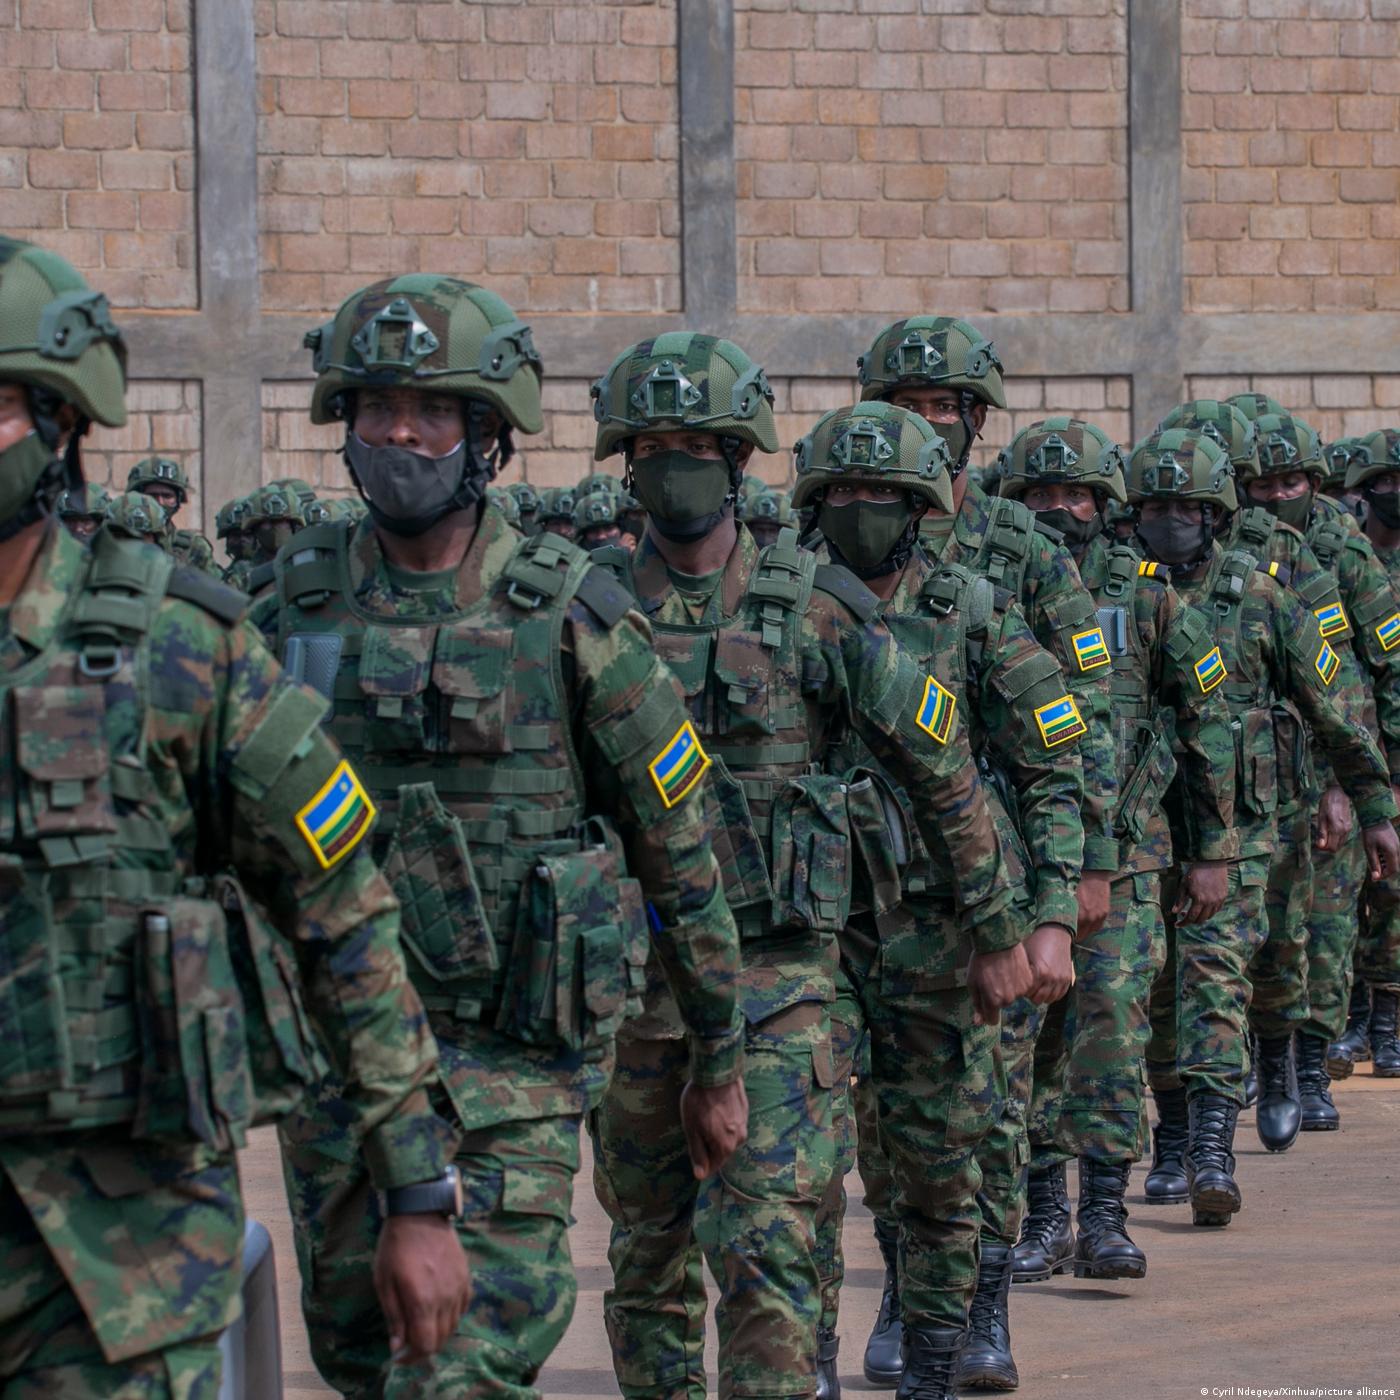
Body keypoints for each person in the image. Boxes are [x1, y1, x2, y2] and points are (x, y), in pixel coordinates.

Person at [255, 276, 748, 1399]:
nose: (398, 434)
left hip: (511, 1074)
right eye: (377, 407)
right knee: (360, 1362)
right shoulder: (289, 612)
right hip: (339, 1080)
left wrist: (717, 1055)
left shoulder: (570, 616)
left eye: (431, 410)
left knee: (461, 1371)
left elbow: (678, 854)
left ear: (488, 433)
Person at [0, 235, 469, 1395]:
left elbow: (340, 912)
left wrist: (414, 1190)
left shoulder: (178, 646)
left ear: (63, 419)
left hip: (113, 1261)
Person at [586, 337, 1031, 1400]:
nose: (677, 466)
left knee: (770, 1252)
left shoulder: (811, 606)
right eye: (655, 446)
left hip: (780, 982)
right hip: (636, 988)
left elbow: (940, 764)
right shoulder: (586, 611)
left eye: (700, 445)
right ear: (626, 461)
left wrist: (997, 924)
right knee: (646, 1254)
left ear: (740, 457)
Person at [794, 402, 1084, 1400]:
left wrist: (1052, 912)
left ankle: (961, 1328)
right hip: (818, 928)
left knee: (953, 1150)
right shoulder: (779, 607)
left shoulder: (973, 610)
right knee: (815, 1157)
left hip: (955, 928)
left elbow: (1052, 765)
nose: (861, 507)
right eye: (842, 491)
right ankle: (820, 1353)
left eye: (882, 491)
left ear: (921, 503)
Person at [851, 316, 1116, 1388]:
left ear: (972, 419)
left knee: (993, 1108)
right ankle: (905, 1286)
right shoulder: (819, 543)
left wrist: (1082, 869)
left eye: (944, 407)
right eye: (907, 407)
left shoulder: (1020, 549)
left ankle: (985, 1303)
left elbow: (1078, 712)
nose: (928, 424)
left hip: (990, 882)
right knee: (881, 1115)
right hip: (859, 887)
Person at [1128, 429, 1398, 1226]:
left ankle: (1214, 1147)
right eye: (1156, 507)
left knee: (1219, 979)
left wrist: (1371, 802)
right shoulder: (1112, 597)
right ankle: (1173, 1139)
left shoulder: (1262, 596)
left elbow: (1335, 703)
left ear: (1216, 513)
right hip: (1141, 830)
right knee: (1159, 994)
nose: (1171, 521)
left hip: (1240, 827)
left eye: (1188, 507)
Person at [996, 419, 1239, 1299]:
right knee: (1026, 1045)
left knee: (1110, 1037)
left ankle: (1103, 1214)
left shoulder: (1146, 598)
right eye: (1041, 494)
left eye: (1076, 495)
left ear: (1105, 506)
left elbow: (1207, 719)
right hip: (1016, 863)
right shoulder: (988, 589)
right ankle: (1042, 1215)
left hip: (1128, 865)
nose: (1059, 509)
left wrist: (1210, 852)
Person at [1230, 413, 1400, 1135]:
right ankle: (1251, 1058)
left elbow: (1376, 672)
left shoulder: (1339, 553)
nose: (1276, 497)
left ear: (1315, 482)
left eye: (1290, 482)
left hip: (1328, 764)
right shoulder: (1227, 547)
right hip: (1244, 770)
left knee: (1325, 924)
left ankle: (1311, 1061)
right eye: (1262, 485)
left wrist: (1361, 786)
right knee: (1251, 927)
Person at [1336, 427, 1400, 1078]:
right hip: (1351, 748)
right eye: (1386, 481)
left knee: (1394, 893)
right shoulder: (1345, 559)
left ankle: (1386, 1022)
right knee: (1343, 890)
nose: (1396, 492)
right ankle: (1349, 1017)